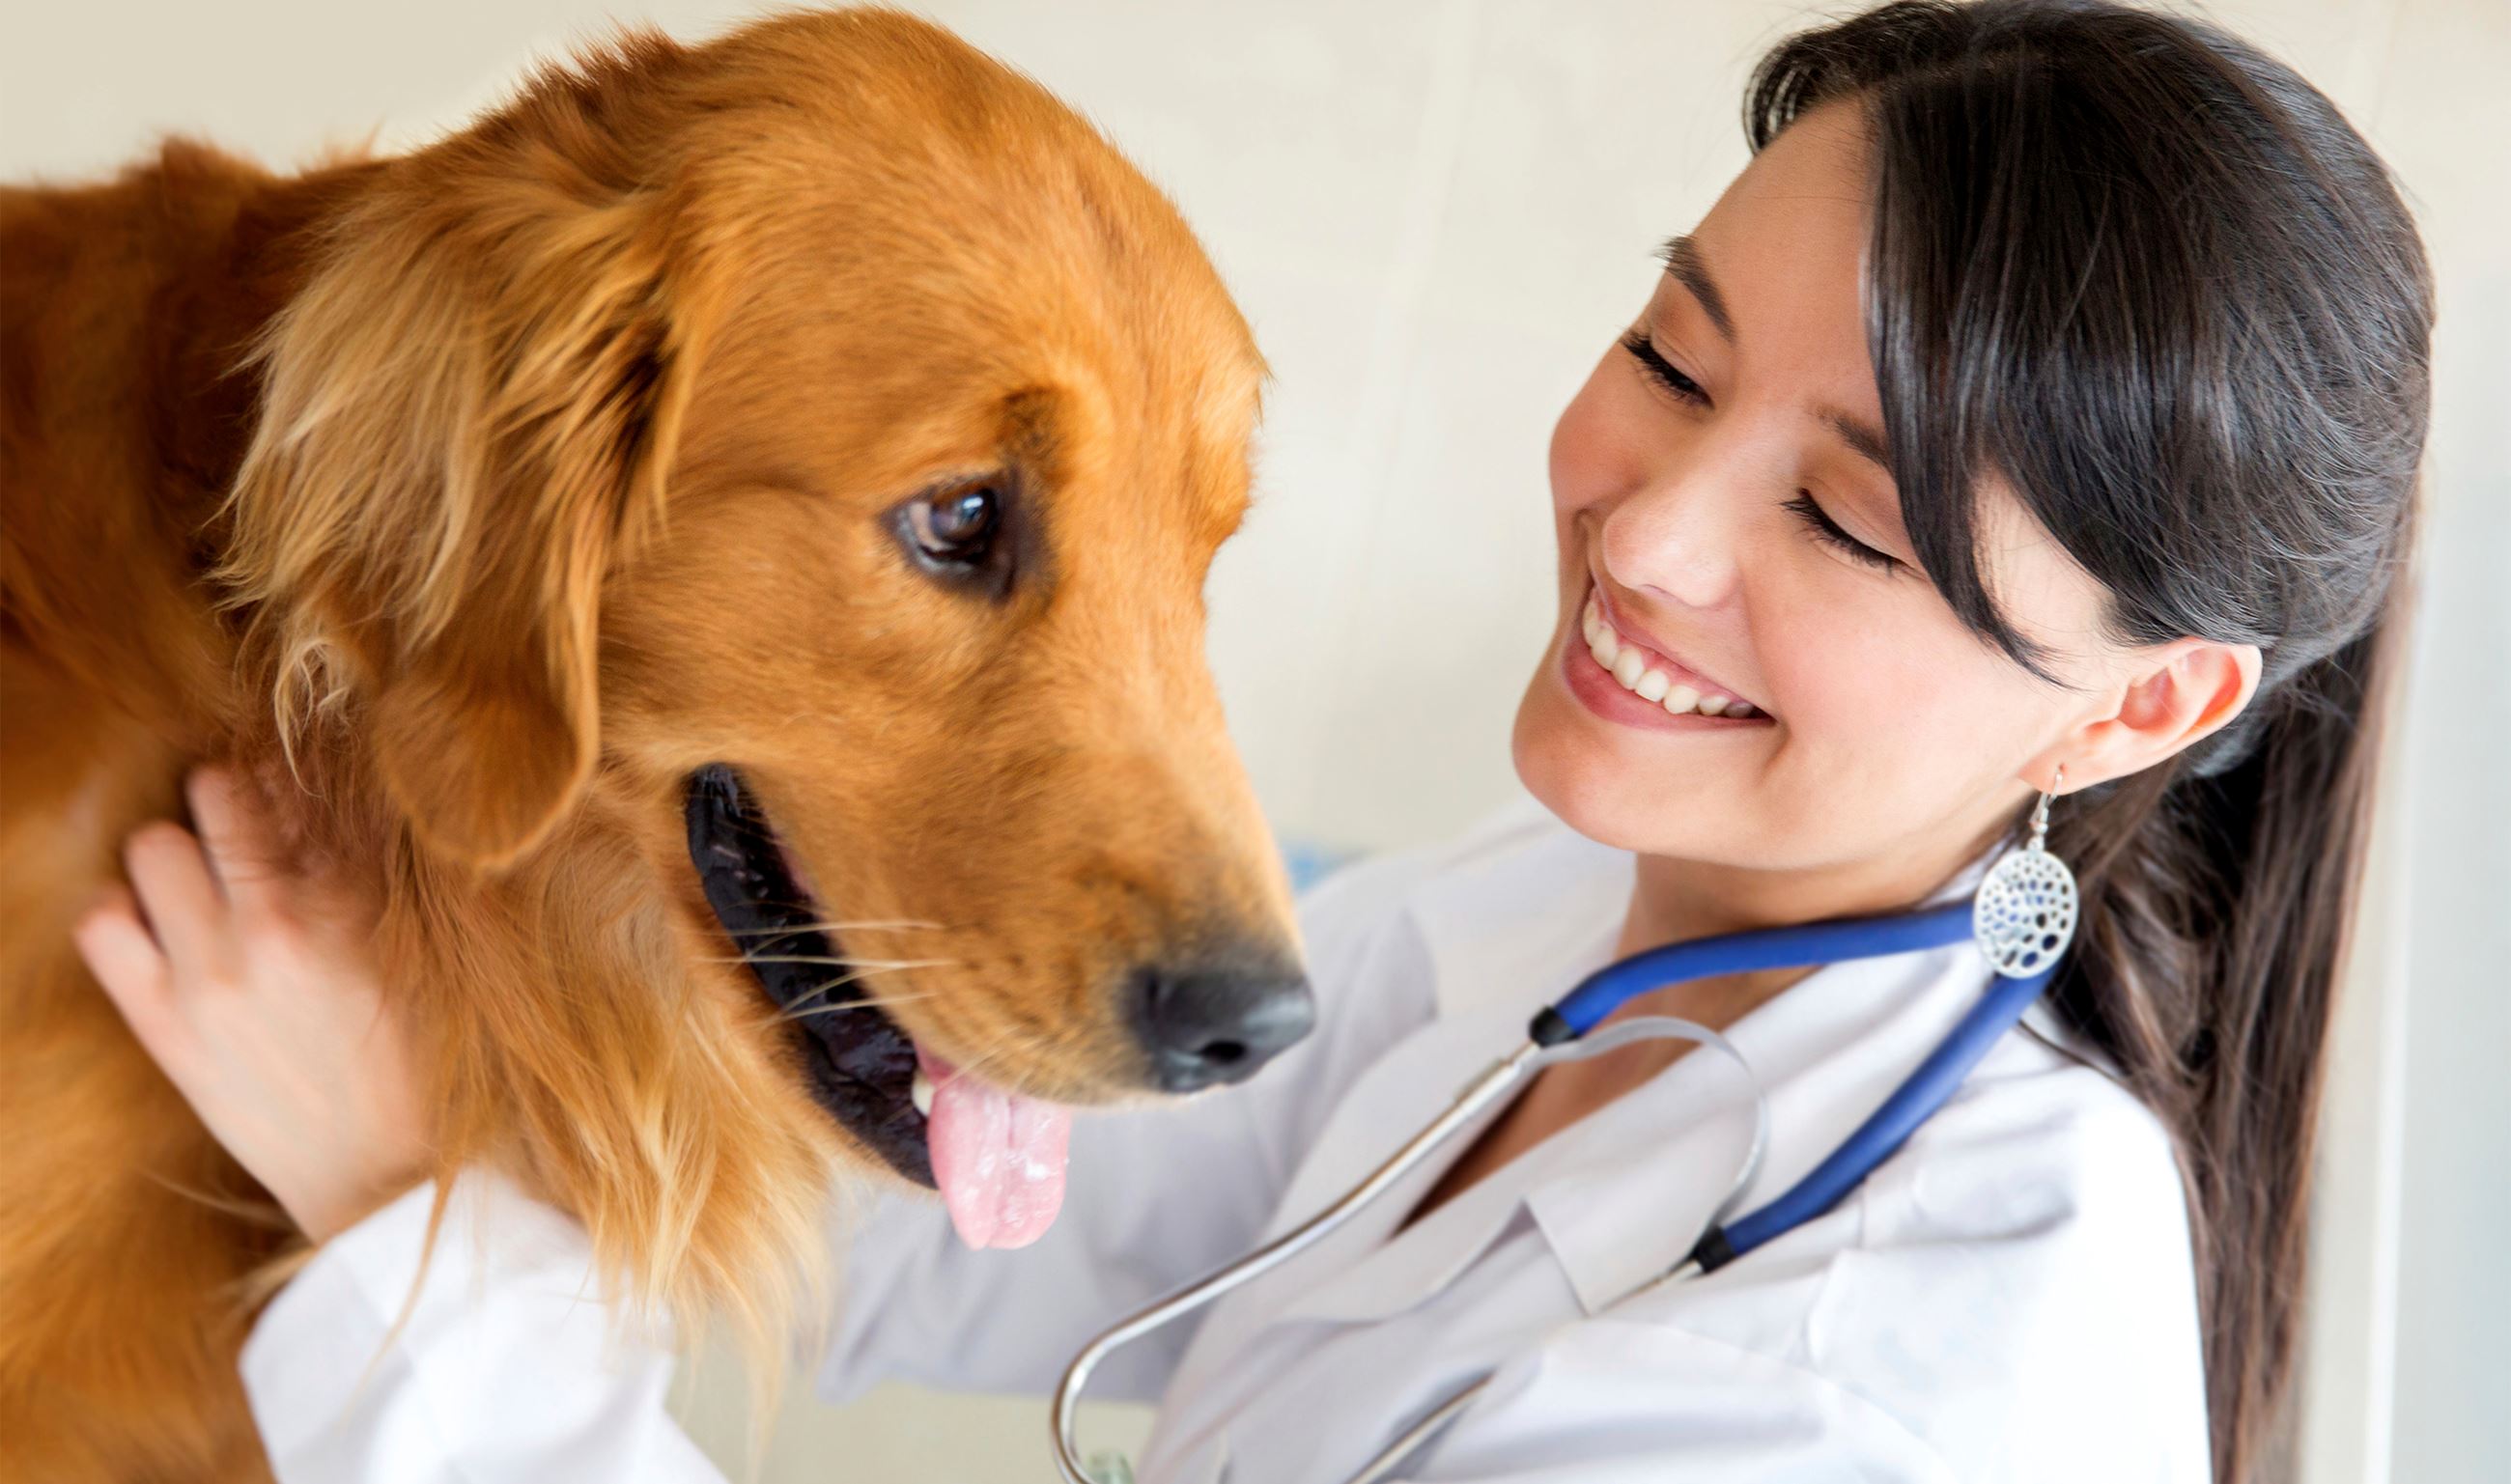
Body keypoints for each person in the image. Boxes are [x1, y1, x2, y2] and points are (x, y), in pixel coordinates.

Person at [76, 2, 2433, 1479]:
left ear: (2149, 701)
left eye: (1841, 517)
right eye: (1674, 359)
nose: (1646, 538)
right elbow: (951, 1225)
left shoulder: (1882, 1410)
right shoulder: (1564, 931)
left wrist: (416, 1254)